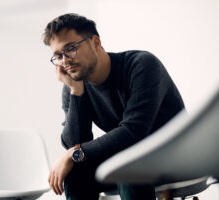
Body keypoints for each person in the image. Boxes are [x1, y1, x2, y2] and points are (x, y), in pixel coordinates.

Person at [43, 13, 185, 200]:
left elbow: (133, 133)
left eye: (70, 48)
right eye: (58, 56)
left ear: (95, 42)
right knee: (76, 171)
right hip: (132, 158)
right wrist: (76, 91)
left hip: (178, 158)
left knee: (126, 165)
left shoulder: (141, 65)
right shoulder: (73, 84)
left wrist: (75, 153)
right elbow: (75, 143)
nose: (65, 60)